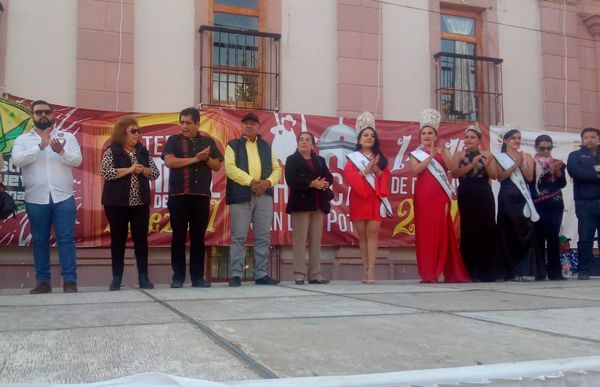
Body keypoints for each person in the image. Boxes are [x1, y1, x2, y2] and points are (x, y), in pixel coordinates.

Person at [11, 100, 82, 294]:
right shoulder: (23, 140)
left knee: (66, 239)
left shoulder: (66, 136)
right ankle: (43, 282)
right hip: (36, 199)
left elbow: (77, 160)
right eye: (38, 112)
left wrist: (62, 152)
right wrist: (40, 147)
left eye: (46, 112)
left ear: (53, 115)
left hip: (63, 197)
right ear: (32, 116)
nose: (43, 115)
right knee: (40, 240)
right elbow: (17, 160)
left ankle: (70, 281)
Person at [163, 107, 223, 288]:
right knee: (178, 237)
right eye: (182, 122)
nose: (184, 126)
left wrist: (205, 158)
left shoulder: (208, 141)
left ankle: (197, 277)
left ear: (197, 124)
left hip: (201, 197)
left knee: (198, 238)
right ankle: (178, 278)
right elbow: (170, 161)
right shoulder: (173, 140)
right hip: (179, 196)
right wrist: (196, 159)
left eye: (188, 123)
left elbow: (216, 166)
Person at [410, 108, 470, 283]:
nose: (427, 136)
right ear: (420, 136)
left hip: (440, 196)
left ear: (436, 136)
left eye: (430, 133)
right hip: (423, 197)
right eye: (424, 133)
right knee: (425, 234)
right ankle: (428, 272)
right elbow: (416, 170)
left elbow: (452, 168)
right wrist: (429, 156)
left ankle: (441, 270)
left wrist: (443, 153)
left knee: (441, 232)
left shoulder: (443, 151)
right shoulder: (416, 154)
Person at [101, 116, 160, 291]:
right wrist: (130, 170)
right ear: (122, 133)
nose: (137, 134)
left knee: (141, 239)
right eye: (133, 131)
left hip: (140, 203)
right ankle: (116, 278)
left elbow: (155, 173)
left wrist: (143, 170)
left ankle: (144, 278)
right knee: (117, 240)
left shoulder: (143, 152)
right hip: (116, 204)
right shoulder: (112, 151)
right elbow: (105, 173)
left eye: (138, 131)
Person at [225, 112, 282, 287]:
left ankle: (261, 274)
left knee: (263, 237)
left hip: (264, 196)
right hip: (241, 195)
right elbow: (230, 169)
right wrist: (251, 182)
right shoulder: (233, 145)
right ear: (241, 126)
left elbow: (277, 169)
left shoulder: (266, 146)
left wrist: (267, 183)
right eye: (245, 123)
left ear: (258, 127)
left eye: (252, 123)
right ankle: (235, 274)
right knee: (239, 236)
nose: (249, 126)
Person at [453, 123, 505, 281]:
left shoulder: (487, 153)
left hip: (483, 193)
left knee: (487, 228)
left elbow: (495, 175)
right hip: (466, 192)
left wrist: (487, 162)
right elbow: (455, 173)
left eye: (472, 137)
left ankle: (488, 272)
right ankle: (470, 271)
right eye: (467, 137)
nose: (469, 140)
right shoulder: (459, 155)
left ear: (478, 140)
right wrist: (472, 164)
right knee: (468, 229)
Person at [344, 112, 391, 284]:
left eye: (372, 135)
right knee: (362, 235)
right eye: (365, 135)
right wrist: (365, 171)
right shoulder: (352, 159)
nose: (369, 138)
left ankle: (371, 270)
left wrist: (376, 169)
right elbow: (350, 177)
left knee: (373, 234)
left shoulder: (381, 159)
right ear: (359, 139)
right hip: (359, 198)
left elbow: (385, 177)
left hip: (375, 198)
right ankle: (365, 268)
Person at [285, 132, 333, 285]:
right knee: (299, 240)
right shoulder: (292, 160)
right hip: (301, 204)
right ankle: (299, 274)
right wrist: (311, 184)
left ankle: (315, 274)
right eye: (301, 140)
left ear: (313, 144)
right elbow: (291, 181)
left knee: (316, 241)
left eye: (307, 140)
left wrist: (324, 183)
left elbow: (329, 176)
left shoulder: (319, 160)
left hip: (318, 204)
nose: (304, 142)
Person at [495, 129, 537, 281]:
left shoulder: (526, 155)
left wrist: (522, 164)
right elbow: (499, 177)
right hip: (507, 197)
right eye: (513, 138)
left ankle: (525, 270)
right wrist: (514, 165)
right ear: (506, 141)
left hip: (522, 197)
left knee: (525, 232)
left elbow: (529, 177)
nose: (516, 141)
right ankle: (510, 272)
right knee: (507, 232)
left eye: (519, 138)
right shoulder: (499, 157)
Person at [531, 134, 567, 281]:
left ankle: (555, 273)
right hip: (538, 204)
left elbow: (562, 183)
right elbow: (530, 183)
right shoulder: (531, 163)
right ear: (536, 147)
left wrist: (557, 172)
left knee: (553, 238)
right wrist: (544, 173)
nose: (546, 151)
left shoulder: (558, 162)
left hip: (555, 205)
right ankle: (539, 272)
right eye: (542, 148)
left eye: (549, 148)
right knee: (538, 238)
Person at [567, 127, 600, 280]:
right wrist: (596, 176)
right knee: (585, 236)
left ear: (598, 139)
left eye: (593, 137)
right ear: (582, 140)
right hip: (585, 202)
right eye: (586, 137)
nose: (590, 140)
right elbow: (576, 172)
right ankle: (584, 270)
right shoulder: (575, 155)